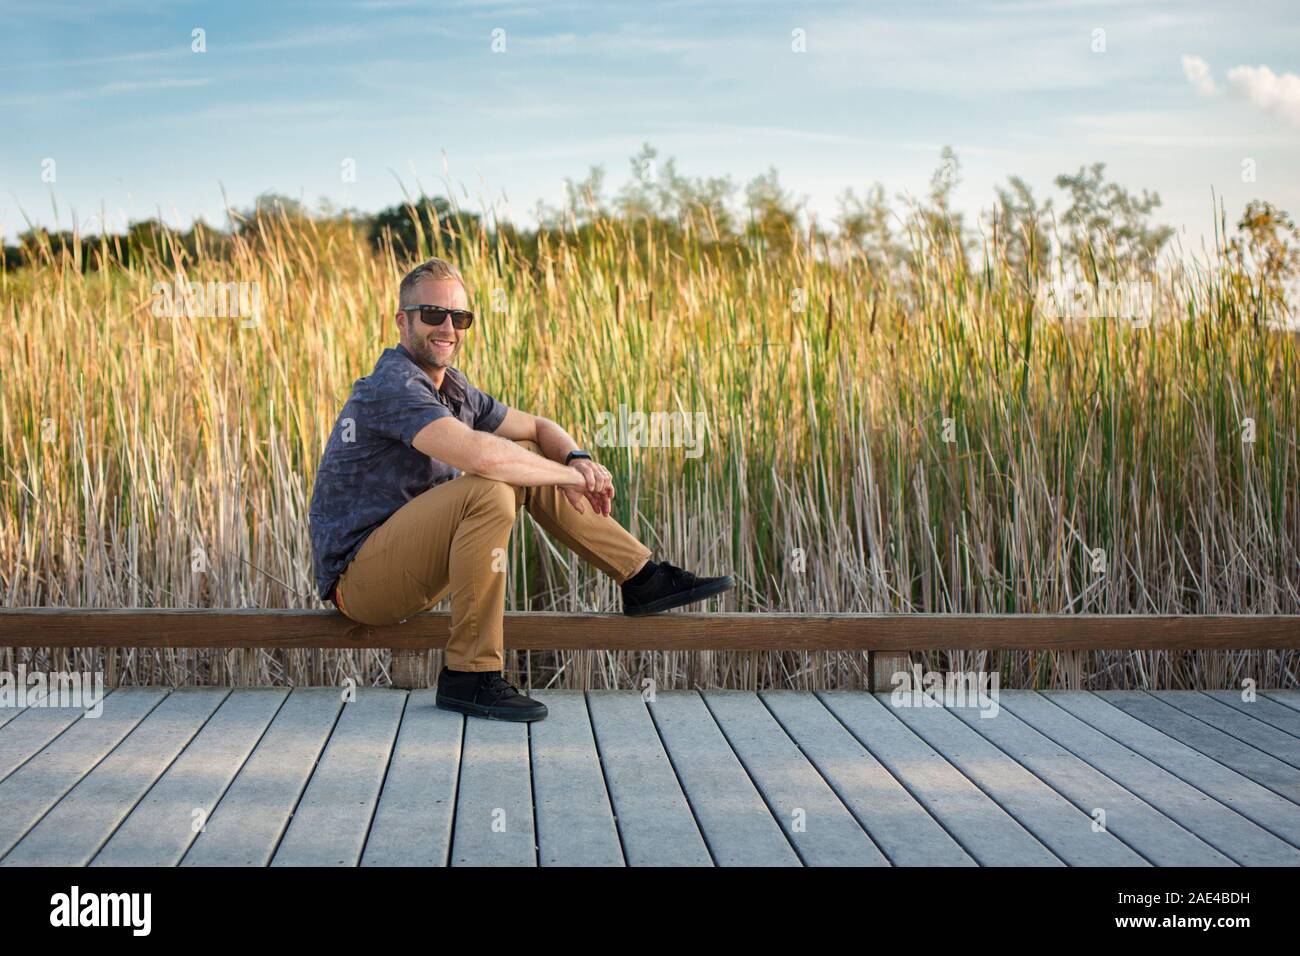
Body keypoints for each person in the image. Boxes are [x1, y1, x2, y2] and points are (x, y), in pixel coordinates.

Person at [308, 257, 734, 723]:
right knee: (490, 487)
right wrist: (570, 478)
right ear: (402, 321)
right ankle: (468, 675)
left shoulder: (453, 388)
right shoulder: (392, 385)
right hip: (362, 583)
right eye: (433, 314)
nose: (447, 327)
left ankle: (642, 577)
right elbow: (480, 457)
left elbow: (536, 426)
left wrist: (577, 458)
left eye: (459, 317)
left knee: (526, 449)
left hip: (413, 566)